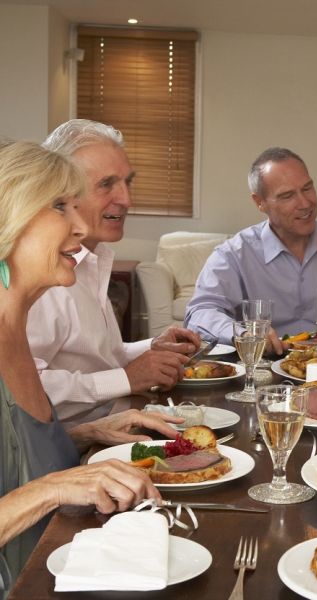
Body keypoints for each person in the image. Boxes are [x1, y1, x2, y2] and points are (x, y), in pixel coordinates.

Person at [0, 141, 181, 595]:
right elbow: (32, 486)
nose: (81, 226)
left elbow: (16, 457)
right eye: (60, 206)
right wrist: (53, 489)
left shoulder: (15, 333)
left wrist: (91, 432)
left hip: (65, 561)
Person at [26, 120, 201, 424]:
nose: (126, 200)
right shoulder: (41, 279)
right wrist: (125, 379)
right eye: (106, 184)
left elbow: (100, 358)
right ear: (60, 193)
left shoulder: (93, 260)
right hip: (72, 450)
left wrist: (152, 347)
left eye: (127, 182)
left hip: (117, 421)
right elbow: (24, 388)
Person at [185, 147, 317, 355]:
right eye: (287, 196)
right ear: (259, 202)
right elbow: (200, 313)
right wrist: (245, 335)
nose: (305, 203)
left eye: (307, 188)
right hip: (266, 369)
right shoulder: (234, 254)